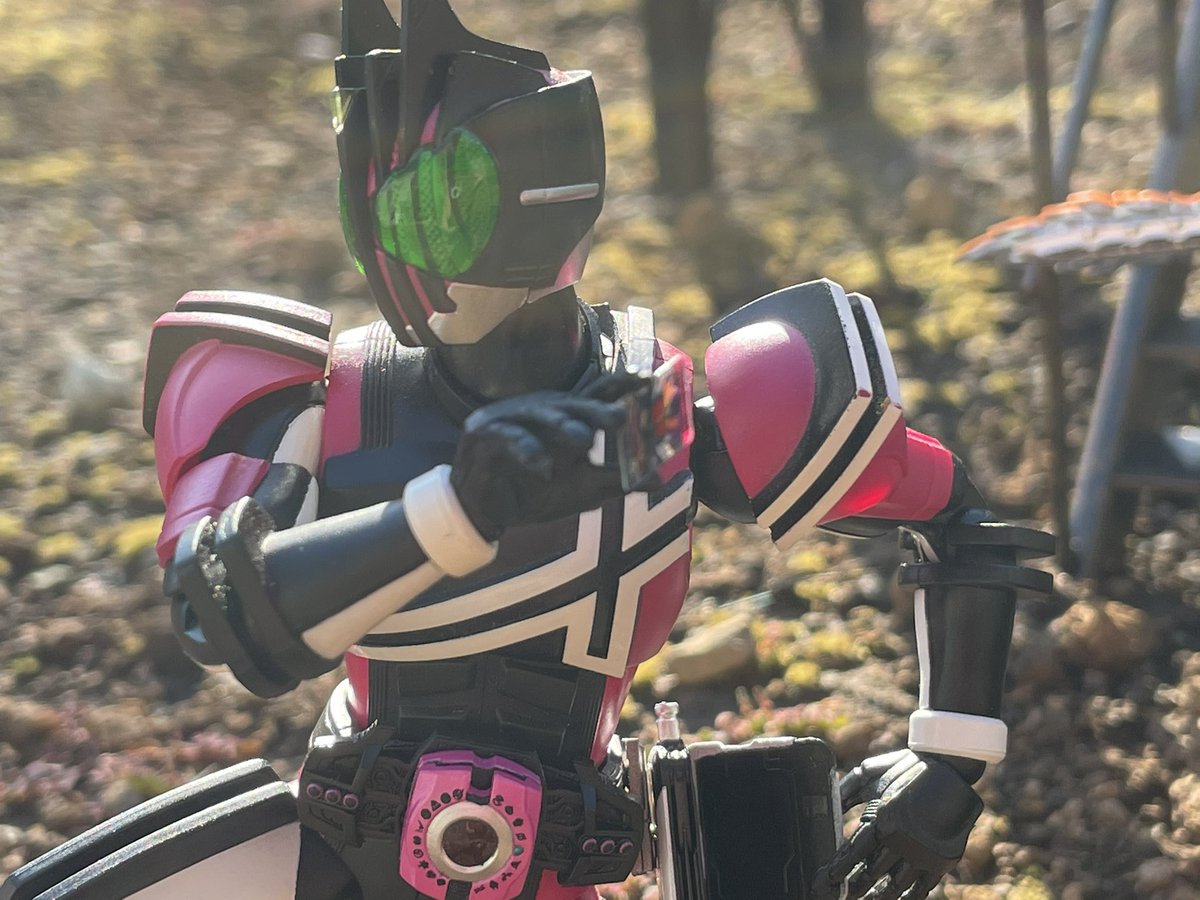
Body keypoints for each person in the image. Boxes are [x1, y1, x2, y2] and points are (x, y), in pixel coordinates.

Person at [0, 2, 1051, 898]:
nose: (409, 248)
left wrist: (948, 760)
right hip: (353, 847)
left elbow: (953, 518)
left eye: (440, 208)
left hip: (559, 853)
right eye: (391, 206)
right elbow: (221, 610)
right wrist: (451, 514)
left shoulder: (655, 419)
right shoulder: (321, 397)